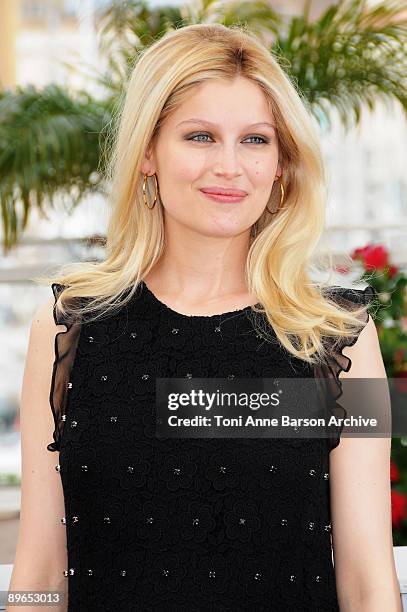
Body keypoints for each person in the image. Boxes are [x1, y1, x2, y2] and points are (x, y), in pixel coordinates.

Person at [8, 23, 401, 612]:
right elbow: (40, 569)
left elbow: (369, 578)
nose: (229, 166)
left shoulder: (340, 338)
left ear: (280, 164)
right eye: (199, 136)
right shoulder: (67, 329)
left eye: (254, 140)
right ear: (147, 154)